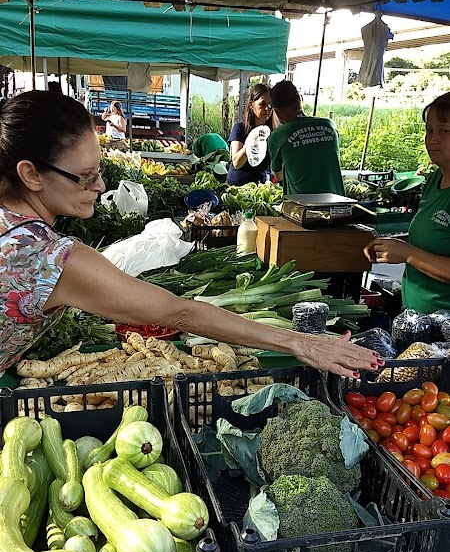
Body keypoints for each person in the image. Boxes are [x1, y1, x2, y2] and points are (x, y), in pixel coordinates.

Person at [0, 91, 383, 379]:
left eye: (99, 171)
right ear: (30, 174)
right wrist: (298, 342)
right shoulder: (44, 257)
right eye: (85, 177)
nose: (100, 186)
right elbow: (178, 312)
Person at [364, 92, 450, 314]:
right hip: (417, 317)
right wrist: (391, 244)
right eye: (429, 130)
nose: (432, 139)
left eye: (444, 131)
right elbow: (433, 238)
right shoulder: (434, 180)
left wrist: (407, 254)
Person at [268, 80, 345, 196]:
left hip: (304, 208)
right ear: (300, 100)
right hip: (338, 205)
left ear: (277, 112)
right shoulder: (329, 125)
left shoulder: (278, 136)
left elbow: (278, 176)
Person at [227, 83, 275, 186]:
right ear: (252, 105)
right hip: (237, 187)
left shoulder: (272, 132)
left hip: (260, 187)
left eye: (270, 105)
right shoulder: (239, 128)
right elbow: (236, 163)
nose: (267, 109)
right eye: (262, 104)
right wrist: (250, 143)